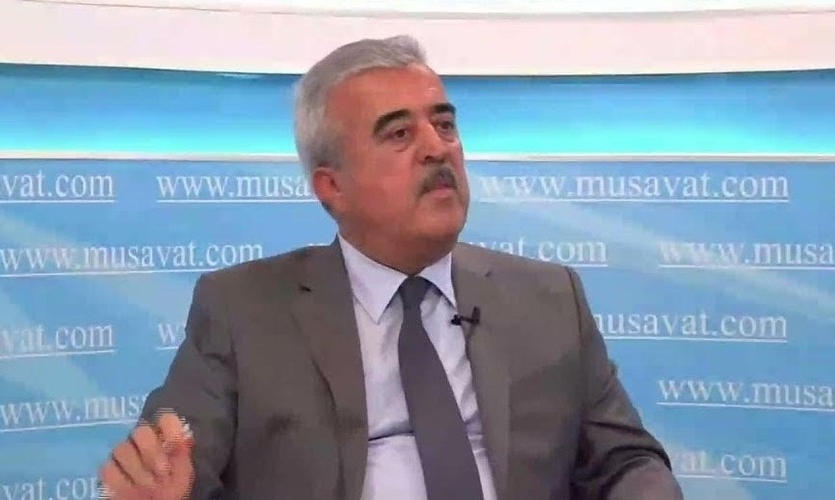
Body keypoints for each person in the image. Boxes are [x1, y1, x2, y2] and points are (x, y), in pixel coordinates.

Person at [98, 35, 684, 500]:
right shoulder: (242, 310)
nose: (437, 147)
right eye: (400, 133)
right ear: (332, 187)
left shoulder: (549, 298)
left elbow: (625, 460)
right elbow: (177, 455)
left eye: (445, 125)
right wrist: (164, 481)